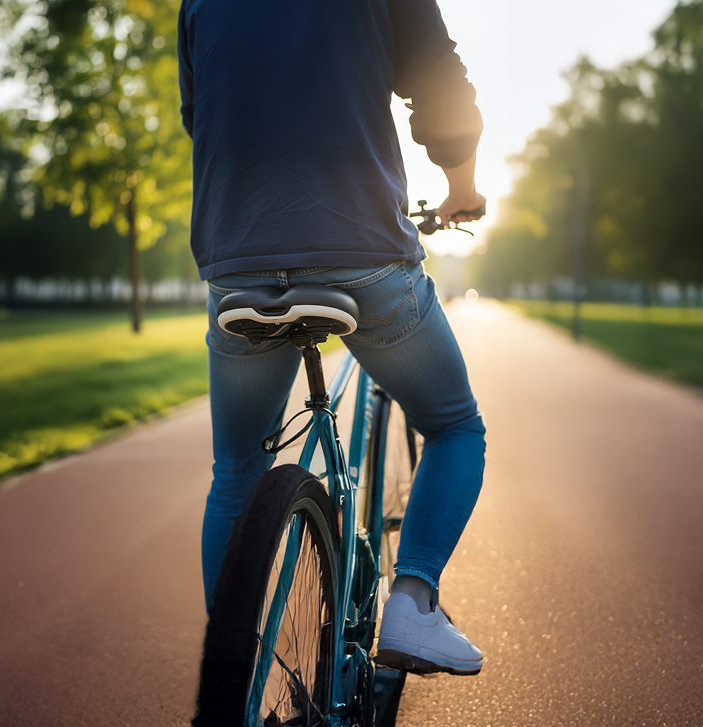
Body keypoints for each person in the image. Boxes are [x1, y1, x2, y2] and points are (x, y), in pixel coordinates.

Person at [178, 0, 487, 675]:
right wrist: (461, 185)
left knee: (237, 467)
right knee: (454, 425)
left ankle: (236, 680)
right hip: (361, 251)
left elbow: (201, 117)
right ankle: (413, 604)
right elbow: (440, 82)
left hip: (237, 261)